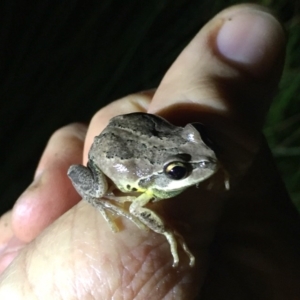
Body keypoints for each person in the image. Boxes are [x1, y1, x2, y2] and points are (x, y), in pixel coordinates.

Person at [0, 4, 299, 299]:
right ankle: (109, 194)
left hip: (135, 132)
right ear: (165, 175)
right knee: (100, 188)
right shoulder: (147, 188)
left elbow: (194, 150)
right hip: (108, 159)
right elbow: (137, 207)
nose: (205, 159)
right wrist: (168, 232)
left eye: (199, 135)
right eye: (178, 171)